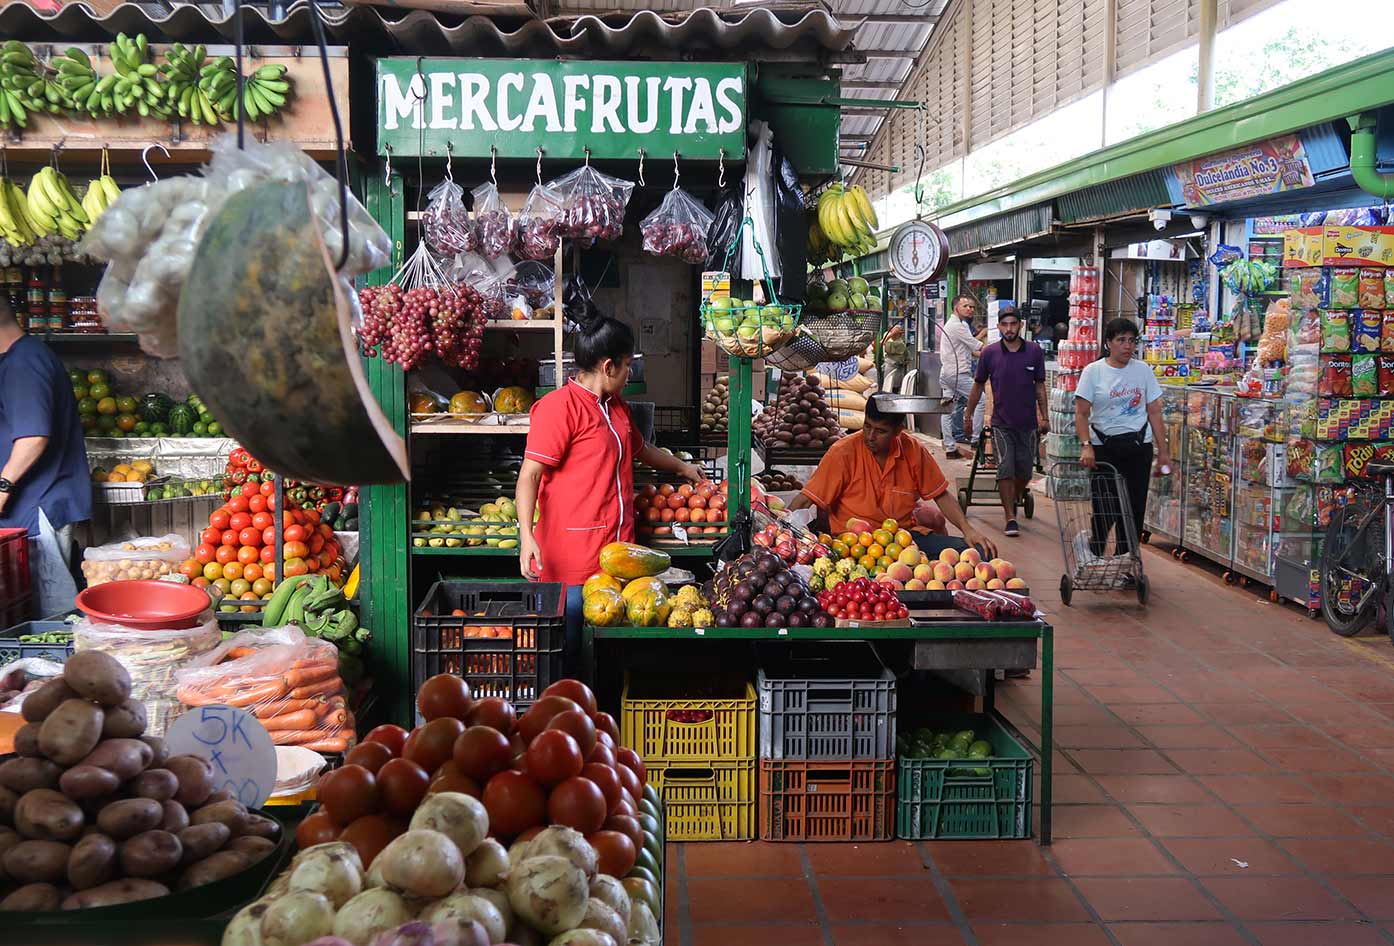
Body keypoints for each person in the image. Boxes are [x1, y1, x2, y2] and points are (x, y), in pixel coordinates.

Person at [515, 310, 702, 665]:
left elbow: (641, 450)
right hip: (572, 558)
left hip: (617, 556)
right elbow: (529, 475)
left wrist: (682, 467)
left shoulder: (616, 407)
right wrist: (526, 534)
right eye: (628, 365)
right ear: (608, 367)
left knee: (606, 654)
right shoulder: (559, 409)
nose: (630, 373)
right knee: (567, 653)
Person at [790, 395, 997, 560]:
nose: (870, 436)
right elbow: (806, 498)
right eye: (867, 426)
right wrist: (782, 533)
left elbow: (941, 495)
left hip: (903, 541)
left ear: (898, 431)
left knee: (981, 553)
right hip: (854, 547)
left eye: (880, 431)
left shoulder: (913, 450)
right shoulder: (842, 453)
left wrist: (968, 530)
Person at [0, 297, 90, 616]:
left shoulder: (23, 362)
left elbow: (32, 438)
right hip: (32, 506)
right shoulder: (21, 359)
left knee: (49, 616)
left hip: (35, 507)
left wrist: (1, 489)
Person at [1074, 317, 1171, 556]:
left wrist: (1164, 453)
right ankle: (1095, 554)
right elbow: (1081, 413)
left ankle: (1126, 561)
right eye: (1121, 340)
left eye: (1131, 341)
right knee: (1106, 506)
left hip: (1139, 447)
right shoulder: (1093, 372)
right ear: (1108, 343)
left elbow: (1155, 412)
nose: (1127, 346)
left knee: (1134, 508)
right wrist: (1086, 446)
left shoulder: (1143, 371)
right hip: (1104, 448)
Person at [964, 306, 1049, 537]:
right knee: (1005, 469)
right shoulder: (990, 354)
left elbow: (1040, 386)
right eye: (1005, 325)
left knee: (1024, 472)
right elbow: (978, 385)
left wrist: (1045, 416)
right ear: (999, 326)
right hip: (1002, 423)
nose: (1009, 329)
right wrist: (968, 415)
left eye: (1013, 324)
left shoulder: (1034, 352)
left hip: (1028, 424)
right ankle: (1010, 516)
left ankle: (1014, 496)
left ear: (1020, 325)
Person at [939, 293, 986, 460]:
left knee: (946, 408)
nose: (970, 309)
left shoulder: (960, 325)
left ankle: (950, 448)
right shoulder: (956, 326)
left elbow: (972, 351)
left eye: (972, 307)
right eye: (966, 306)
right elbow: (977, 345)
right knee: (980, 399)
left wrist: (986, 356)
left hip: (947, 373)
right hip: (957, 373)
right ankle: (976, 439)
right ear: (955, 307)